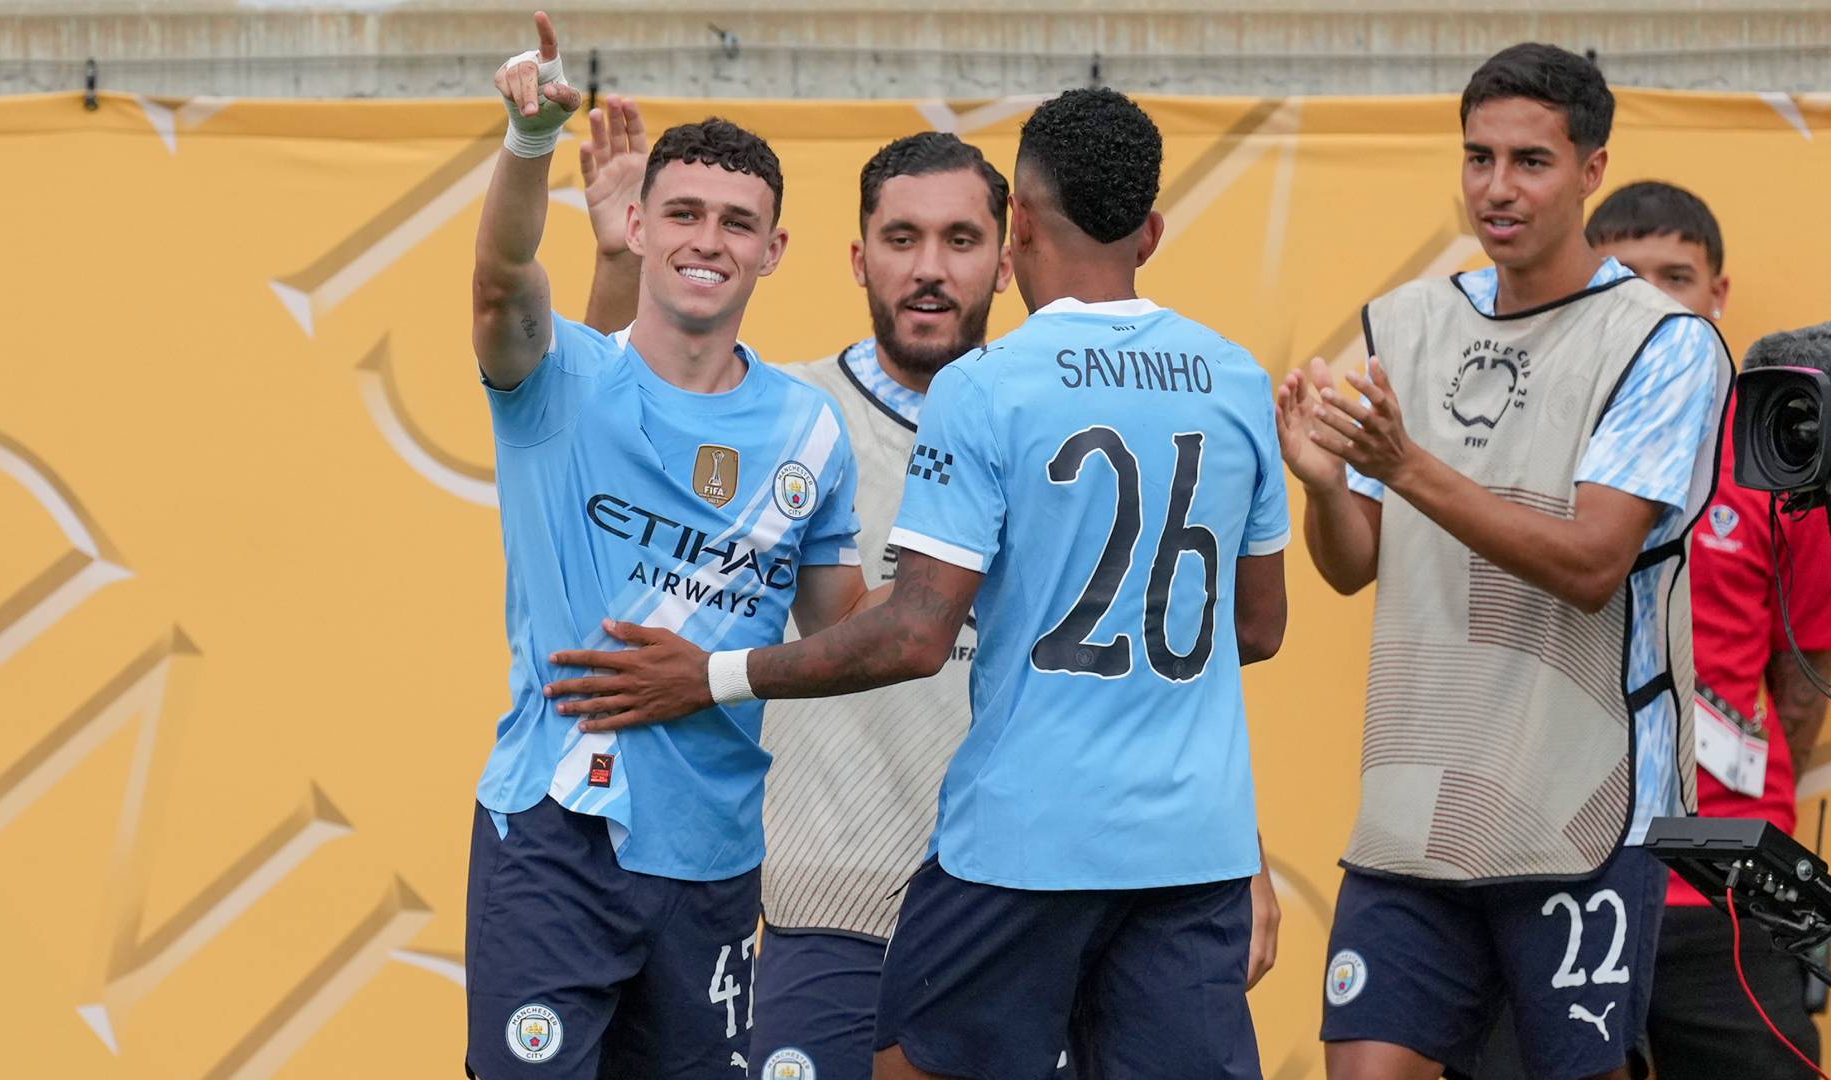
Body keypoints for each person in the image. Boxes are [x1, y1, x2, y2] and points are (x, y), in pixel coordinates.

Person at [544, 86, 1291, 1080]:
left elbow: (1098, 645)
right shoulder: (784, 411)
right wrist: (613, 264)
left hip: (1034, 883)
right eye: (901, 237)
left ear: (1008, 243)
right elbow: (610, 430)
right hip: (838, 903)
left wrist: (1249, 847)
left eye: (959, 238)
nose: (931, 268)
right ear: (857, 257)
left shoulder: (999, 395)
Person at [1278, 44, 1731, 1080]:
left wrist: (1405, 464)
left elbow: (1592, 565)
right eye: (1478, 158)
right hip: (1417, 805)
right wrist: (1323, 484)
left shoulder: (1662, 343)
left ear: (1592, 169)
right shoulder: (1415, 320)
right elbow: (1356, 566)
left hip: (1584, 806)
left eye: (1529, 160)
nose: (1496, 187)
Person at [463, 13, 870, 1078]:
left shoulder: (811, 431)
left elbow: (839, 637)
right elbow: (504, 278)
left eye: (738, 223)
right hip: (553, 836)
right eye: (683, 212)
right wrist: (530, 141)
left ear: (774, 252)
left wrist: (975, 581)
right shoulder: (562, 384)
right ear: (638, 228)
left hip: (713, 858)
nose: (708, 239)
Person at [1589, 182, 1831, 1079]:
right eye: (1626, 276)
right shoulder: (1542, 441)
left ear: (1718, 295)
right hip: (1567, 859)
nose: (1654, 299)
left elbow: (1802, 676)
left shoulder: (1775, 455)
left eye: (1677, 276)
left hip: (1727, 875)